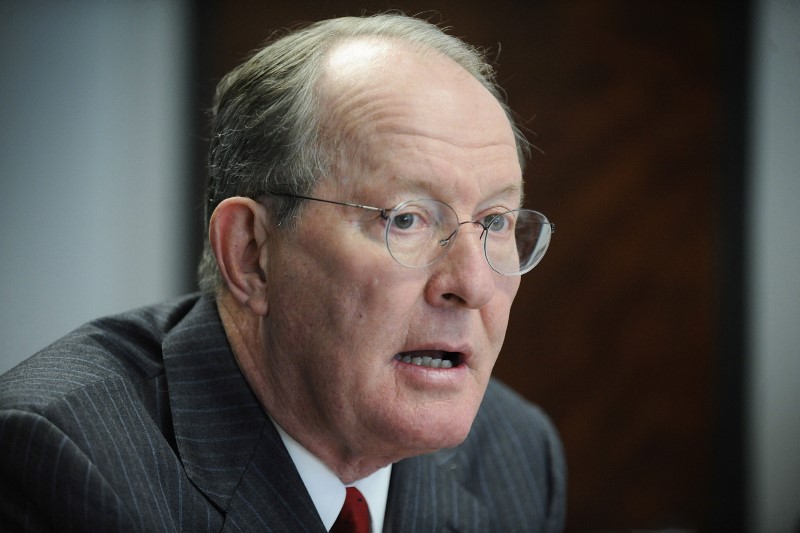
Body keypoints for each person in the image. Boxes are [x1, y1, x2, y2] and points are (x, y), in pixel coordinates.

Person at [0, 13, 565, 532]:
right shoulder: (68, 459)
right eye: (406, 219)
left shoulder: (515, 455)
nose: (471, 284)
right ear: (251, 255)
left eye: (494, 222)